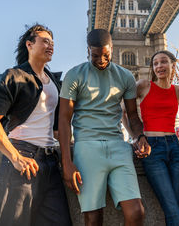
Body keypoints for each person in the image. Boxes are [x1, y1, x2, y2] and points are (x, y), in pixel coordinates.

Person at [0, 24, 72, 226]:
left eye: (53, 42)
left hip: (50, 161)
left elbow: (56, 127)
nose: (51, 45)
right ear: (29, 44)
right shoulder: (14, 77)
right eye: (45, 41)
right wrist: (16, 157)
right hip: (22, 157)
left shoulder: (54, 82)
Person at [58, 29, 151, 226]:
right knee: (93, 218)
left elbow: (133, 115)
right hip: (87, 148)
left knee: (136, 213)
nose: (101, 60)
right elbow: (64, 120)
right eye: (95, 55)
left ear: (112, 49)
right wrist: (66, 162)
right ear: (88, 51)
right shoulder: (74, 75)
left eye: (106, 55)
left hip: (118, 146)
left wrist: (140, 136)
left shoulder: (125, 76)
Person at [123, 50, 179, 226]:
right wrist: (136, 136)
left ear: (173, 65)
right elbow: (124, 111)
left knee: (174, 209)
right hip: (152, 148)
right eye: (155, 63)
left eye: (164, 62)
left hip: (175, 148)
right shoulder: (143, 85)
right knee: (175, 213)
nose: (159, 66)